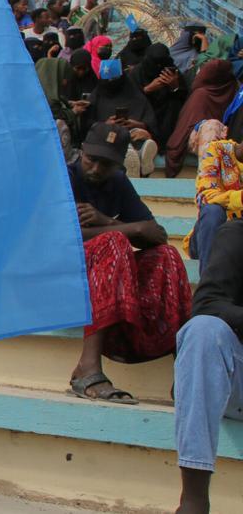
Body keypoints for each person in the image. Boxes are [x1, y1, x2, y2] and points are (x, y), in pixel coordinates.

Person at [67, 122, 191, 405]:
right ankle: (87, 368)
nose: (97, 169)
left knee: (167, 256)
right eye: (92, 160)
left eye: (106, 164)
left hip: (105, 272)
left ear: (119, 164)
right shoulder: (64, 177)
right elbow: (62, 237)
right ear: (81, 151)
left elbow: (155, 235)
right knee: (114, 242)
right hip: (60, 272)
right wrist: (125, 230)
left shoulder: (118, 182)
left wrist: (107, 221)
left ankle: (185, 373)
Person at [172, 219, 243, 514]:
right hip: (235, 381)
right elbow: (207, 303)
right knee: (202, 331)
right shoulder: (237, 235)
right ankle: (194, 502)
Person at [85, 59, 160, 178]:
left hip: (132, 133)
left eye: (114, 80)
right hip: (106, 137)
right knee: (113, 136)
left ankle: (140, 155)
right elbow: (87, 125)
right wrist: (105, 124)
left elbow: (150, 123)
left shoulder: (135, 95)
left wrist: (137, 124)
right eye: (107, 81)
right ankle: (130, 154)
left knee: (140, 133)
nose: (110, 84)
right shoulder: (96, 97)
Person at [165, 60, 237, 177]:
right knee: (212, 126)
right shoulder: (201, 94)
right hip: (199, 138)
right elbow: (185, 128)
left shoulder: (234, 91)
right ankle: (208, 178)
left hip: (226, 140)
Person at [186, 139, 243, 276]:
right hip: (209, 235)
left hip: (237, 240)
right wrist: (239, 198)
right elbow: (205, 197)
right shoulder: (217, 149)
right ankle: (208, 289)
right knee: (213, 211)